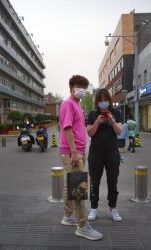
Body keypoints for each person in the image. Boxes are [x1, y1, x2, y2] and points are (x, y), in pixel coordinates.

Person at [59, 75, 103, 240]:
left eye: (84, 87)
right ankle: (83, 226)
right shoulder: (68, 104)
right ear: (71, 87)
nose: (81, 90)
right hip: (73, 152)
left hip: (74, 151)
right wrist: (75, 152)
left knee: (69, 185)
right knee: (78, 188)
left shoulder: (76, 104)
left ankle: (68, 215)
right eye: (78, 86)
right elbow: (67, 129)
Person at [86, 89, 123, 222]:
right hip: (96, 153)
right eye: (100, 100)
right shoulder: (92, 114)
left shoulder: (116, 113)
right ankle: (93, 209)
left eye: (105, 99)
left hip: (112, 152)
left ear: (109, 100)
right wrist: (97, 121)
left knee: (113, 181)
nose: (103, 102)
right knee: (94, 181)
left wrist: (112, 121)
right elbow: (90, 133)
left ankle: (113, 208)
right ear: (97, 101)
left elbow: (119, 132)